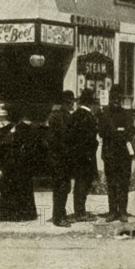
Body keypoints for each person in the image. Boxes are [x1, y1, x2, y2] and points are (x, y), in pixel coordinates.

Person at [98, 85, 135, 222]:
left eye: (118, 98)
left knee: (124, 183)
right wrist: (119, 132)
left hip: (124, 155)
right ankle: (112, 211)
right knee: (112, 183)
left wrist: (117, 133)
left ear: (121, 99)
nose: (115, 101)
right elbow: (102, 132)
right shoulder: (104, 114)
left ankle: (123, 211)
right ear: (110, 98)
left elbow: (131, 131)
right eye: (113, 98)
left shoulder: (127, 114)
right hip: (110, 154)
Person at [0, 102, 39, 222]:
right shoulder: (6, 129)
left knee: (22, 188)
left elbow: (32, 148)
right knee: (8, 188)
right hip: (9, 165)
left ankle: (24, 214)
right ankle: (7, 214)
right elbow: (0, 147)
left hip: (22, 166)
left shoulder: (27, 129)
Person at [66, 89, 99, 221]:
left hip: (77, 155)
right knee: (83, 184)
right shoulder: (88, 116)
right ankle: (80, 212)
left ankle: (79, 210)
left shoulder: (75, 115)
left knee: (80, 182)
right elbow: (90, 139)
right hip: (87, 156)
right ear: (90, 102)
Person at [46, 90, 75, 227]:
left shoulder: (57, 115)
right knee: (61, 188)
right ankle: (58, 217)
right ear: (65, 103)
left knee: (63, 187)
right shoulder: (61, 116)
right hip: (60, 158)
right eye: (70, 103)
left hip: (61, 158)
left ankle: (60, 214)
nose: (72, 105)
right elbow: (63, 138)